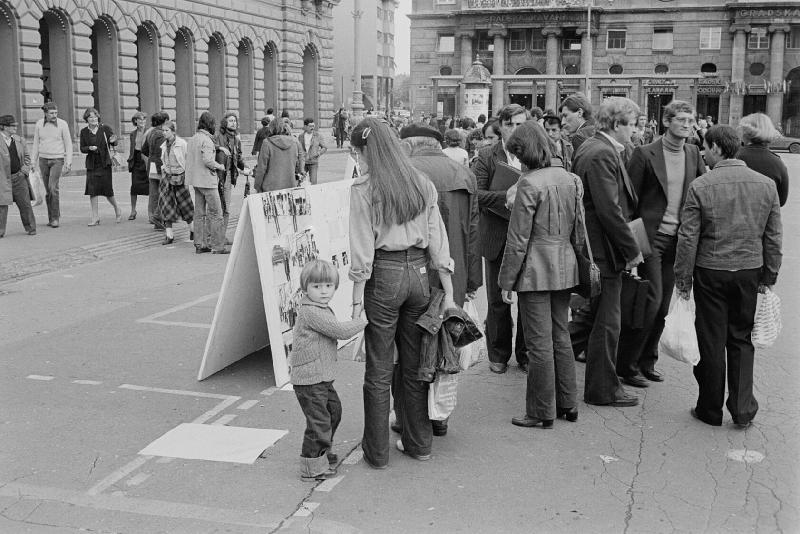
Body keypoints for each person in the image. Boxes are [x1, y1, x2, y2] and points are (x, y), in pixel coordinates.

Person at [348, 117, 455, 468]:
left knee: (379, 368)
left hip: (384, 274)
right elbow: (438, 239)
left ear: (366, 151)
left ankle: (377, 452)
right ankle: (418, 443)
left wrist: (355, 302)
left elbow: (362, 249)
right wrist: (449, 291)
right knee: (415, 364)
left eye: (357, 150)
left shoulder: (365, 189)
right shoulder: (421, 183)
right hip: (421, 273)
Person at [675, 125, 782, 428]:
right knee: (741, 338)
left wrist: (683, 280)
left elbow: (688, 238)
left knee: (711, 339)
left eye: (706, 148)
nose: (704, 153)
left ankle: (709, 408)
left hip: (711, 270)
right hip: (750, 270)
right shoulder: (765, 185)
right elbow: (773, 235)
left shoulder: (701, 185)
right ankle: (742, 407)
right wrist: (770, 274)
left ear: (718, 149)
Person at [616, 101, 707, 388]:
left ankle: (647, 361)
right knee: (650, 301)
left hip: (678, 242)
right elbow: (629, 201)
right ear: (666, 122)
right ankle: (626, 364)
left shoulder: (693, 153)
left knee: (663, 305)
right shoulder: (645, 153)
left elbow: (703, 190)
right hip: (652, 239)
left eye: (690, 120)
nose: (687, 124)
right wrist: (634, 246)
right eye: (680, 119)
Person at [498, 121, 582, 428]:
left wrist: (506, 281)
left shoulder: (529, 184)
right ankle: (568, 404)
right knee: (560, 335)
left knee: (538, 343)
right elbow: (579, 229)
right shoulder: (569, 178)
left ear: (525, 153)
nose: (518, 160)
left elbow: (518, 239)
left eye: (518, 154)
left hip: (535, 268)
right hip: (565, 263)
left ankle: (541, 411)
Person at [573, 97, 643, 408]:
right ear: (616, 124)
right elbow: (609, 211)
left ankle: (547, 363)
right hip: (603, 251)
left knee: (595, 318)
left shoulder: (596, 148)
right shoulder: (601, 153)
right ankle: (603, 390)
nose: (636, 131)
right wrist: (633, 251)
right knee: (607, 323)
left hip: (599, 249)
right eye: (633, 124)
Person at [290, 259, 368, 480]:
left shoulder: (320, 307)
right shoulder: (311, 312)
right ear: (305, 288)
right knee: (319, 423)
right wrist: (362, 320)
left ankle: (322, 453)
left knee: (333, 412)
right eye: (316, 287)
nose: (323, 292)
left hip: (321, 376)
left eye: (328, 286)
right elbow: (338, 331)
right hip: (309, 379)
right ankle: (312, 466)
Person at [474, 103, 530, 374]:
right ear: (501, 127)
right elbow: (476, 195)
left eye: (521, 124)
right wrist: (509, 196)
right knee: (497, 301)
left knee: (529, 300)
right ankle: (498, 354)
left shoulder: (535, 154)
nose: (516, 130)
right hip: (497, 235)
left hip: (529, 237)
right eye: (510, 125)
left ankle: (526, 354)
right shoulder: (486, 155)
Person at [185, 111, 228, 255]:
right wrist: (220, 166)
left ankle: (200, 244)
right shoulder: (207, 140)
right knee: (217, 213)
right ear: (210, 124)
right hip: (207, 181)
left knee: (199, 214)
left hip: (196, 180)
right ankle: (218, 246)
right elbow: (208, 160)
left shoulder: (193, 138)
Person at [31, 102, 73, 228]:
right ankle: (52, 217)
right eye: (51, 113)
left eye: (56, 113)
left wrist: (68, 162)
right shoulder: (39, 124)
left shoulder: (63, 124)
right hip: (43, 160)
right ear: (45, 114)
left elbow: (68, 144)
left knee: (52, 187)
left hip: (57, 159)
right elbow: (36, 144)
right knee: (48, 190)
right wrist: (33, 161)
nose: (54, 115)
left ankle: (55, 219)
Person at [79, 108, 122, 226]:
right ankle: (95, 217)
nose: (93, 119)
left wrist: (114, 140)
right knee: (92, 191)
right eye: (91, 117)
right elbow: (82, 148)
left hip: (104, 163)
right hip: (92, 164)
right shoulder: (83, 132)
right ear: (86, 119)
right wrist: (89, 148)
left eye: (95, 117)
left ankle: (117, 209)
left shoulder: (105, 128)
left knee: (108, 191)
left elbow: (114, 142)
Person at [737, 113, 789, 207]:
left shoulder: (734, 156)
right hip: (763, 218)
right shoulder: (778, 163)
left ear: (745, 133)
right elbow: (781, 201)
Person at [157, 120, 194, 245]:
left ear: (173, 131)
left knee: (186, 206)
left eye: (167, 130)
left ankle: (193, 230)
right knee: (166, 205)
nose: (164, 133)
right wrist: (164, 171)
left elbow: (189, 161)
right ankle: (169, 235)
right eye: (163, 130)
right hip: (167, 178)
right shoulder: (163, 145)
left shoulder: (182, 144)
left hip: (180, 177)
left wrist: (187, 178)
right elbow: (164, 161)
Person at [0, 114, 35, 237]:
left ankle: (31, 228)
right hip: (2, 179)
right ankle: (1, 231)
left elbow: (27, 158)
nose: (15, 128)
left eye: (16, 125)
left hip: (19, 177)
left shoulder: (19, 140)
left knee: (25, 203)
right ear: (4, 127)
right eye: (12, 126)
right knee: (2, 206)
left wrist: (24, 171)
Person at [215, 112, 247, 244]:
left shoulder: (236, 138)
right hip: (217, 175)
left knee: (226, 208)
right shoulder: (218, 136)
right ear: (225, 123)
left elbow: (238, 157)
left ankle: (221, 235)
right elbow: (210, 148)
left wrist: (245, 168)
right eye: (230, 121)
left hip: (228, 175)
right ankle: (216, 236)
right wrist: (221, 147)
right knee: (216, 208)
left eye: (235, 121)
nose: (233, 123)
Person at [253, 119, 303, 192]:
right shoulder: (295, 142)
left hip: (270, 187)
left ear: (271, 128)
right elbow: (299, 163)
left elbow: (262, 168)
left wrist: (257, 186)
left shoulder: (267, 143)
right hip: (290, 185)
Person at [141, 112, 169, 230]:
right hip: (159, 166)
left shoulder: (150, 132)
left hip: (152, 165)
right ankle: (158, 217)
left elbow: (144, 149)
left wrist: (151, 158)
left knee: (153, 192)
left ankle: (151, 215)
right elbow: (162, 152)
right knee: (162, 192)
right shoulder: (161, 134)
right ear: (164, 121)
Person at [127, 111, 149, 220]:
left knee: (150, 188)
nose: (142, 122)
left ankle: (152, 212)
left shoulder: (149, 132)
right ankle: (133, 210)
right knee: (134, 187)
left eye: (144, 119)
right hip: (136, 160)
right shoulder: (132, 134)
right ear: (135, 121)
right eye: (140, 119)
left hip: (146, 160)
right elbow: (132, 148)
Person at [299, 118, 328, 185]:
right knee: (301, 181)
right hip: (303, 162)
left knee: (313, 182)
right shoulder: (301, 136)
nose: (312, 128)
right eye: (310, 126)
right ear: (305, 126)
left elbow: (325, 147)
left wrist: (318, 153)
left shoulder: (317, 135)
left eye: (313, 126)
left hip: (313, 162)